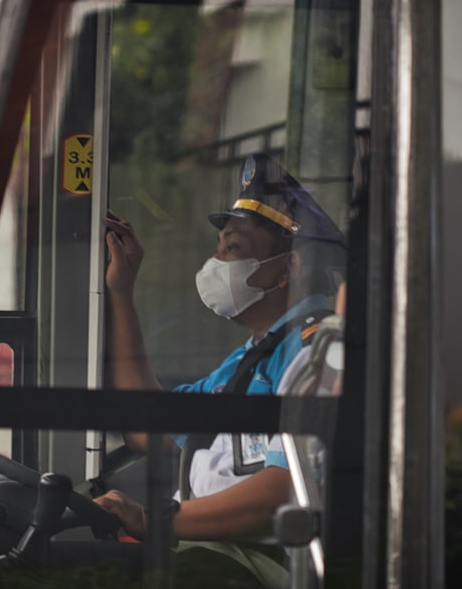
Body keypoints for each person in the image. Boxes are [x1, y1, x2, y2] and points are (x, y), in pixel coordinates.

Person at [94, 153, 345, 548]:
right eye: (219, 246)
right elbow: (149, 430)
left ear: (287, 269)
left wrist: (150, 520)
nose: (216, 261)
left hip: (246, 561)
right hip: (209, 549)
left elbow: (286, 488)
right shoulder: (253, 356)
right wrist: (121, 292)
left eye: (233, 248)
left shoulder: (318, 354)